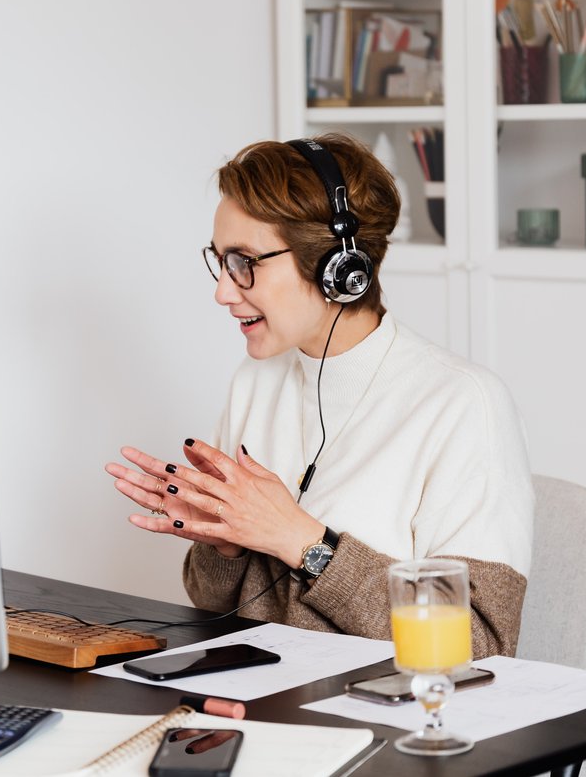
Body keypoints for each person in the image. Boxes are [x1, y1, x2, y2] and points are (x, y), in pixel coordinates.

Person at [105, 133, 534, 659]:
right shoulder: (254, 382)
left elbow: (481, 644)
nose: (222, 290)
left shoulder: (462, 404)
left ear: (337, 267)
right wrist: (226, 544)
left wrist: (302, 541)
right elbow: (214, 604)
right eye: (219, 261)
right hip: (262, 706)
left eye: (245, 263)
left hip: (387, 723)